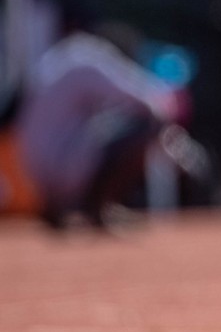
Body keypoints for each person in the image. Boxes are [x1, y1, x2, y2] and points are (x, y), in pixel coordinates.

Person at [16, 29, 203, 229]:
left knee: (106, 126)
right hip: (63, 170)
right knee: (150, 123)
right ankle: (99, 208)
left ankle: (56, 207)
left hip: (32, 173)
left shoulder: (53, 59)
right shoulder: (85, 57)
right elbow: (148, 101)